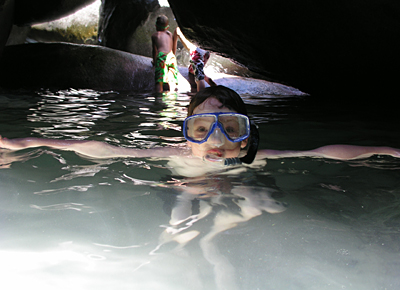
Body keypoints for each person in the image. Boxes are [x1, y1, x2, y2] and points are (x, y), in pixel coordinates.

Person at [1, 85, 399, 177]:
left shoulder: (250, 158)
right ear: (186, 132)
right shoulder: (173, 154)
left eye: (229, 127)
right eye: (202, 127)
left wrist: (386, 148)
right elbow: (102, 149)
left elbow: (321, 151)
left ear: (246, 135)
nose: (215, 140)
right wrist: (28, 141)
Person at [173, 27, 217, 92]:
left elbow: (177, 31)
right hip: (206, 51)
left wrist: (172, 55)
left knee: (199, 78)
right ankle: (214, 87)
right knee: (197, 72)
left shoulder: (180, 29)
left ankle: (200, 98)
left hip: (197, 52)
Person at [151, 15, 179, 93]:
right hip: (171, 56)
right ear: (167, 27)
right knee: (172, 80)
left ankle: (159, 96)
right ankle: (173, 95)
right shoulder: (169, 34)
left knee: (159, 80)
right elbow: (173, 48)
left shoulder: (155, 35)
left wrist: (154, 62)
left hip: (162, 56)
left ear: (156, 26)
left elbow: (155, 51)